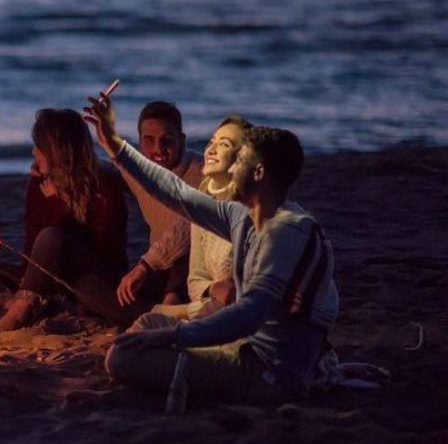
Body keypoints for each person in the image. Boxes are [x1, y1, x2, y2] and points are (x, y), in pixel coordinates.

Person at [87, 92, 338, 403]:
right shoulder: (243, 214)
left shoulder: (286, 230)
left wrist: (175, 335)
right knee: (146, 327)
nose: (228, 167)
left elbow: (249, 314)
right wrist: (114, 143)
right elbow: (177, 193)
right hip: (238, 341)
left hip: (264, 369)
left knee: (122, 357)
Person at [0, 109, 129, 331]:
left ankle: (18, 311)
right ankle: (23, 300)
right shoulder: (39, 183)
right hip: (49, 276)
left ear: (58, 151)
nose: (34, 152)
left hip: (94, 279)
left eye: (40, 147)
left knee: (51, 237)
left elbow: (102, 252)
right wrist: (25, 284)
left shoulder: (104, 186)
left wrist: (55, 202)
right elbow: (33, 243)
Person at [153, 115, 253, 321]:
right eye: (211, 142)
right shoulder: (203, 200)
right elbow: (195, 280)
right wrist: (214, 288)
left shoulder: (254, 210)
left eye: (224, 145)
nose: (212, 150)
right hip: (210, 307)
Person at [114, 101, 204, 311]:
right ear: (139, 142)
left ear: (181, 140)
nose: (158, 149)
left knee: (191, 248)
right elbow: (100, 168)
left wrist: (144, 266)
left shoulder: (204, 172)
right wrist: (47, 162)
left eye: (167, 140)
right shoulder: (137, 171)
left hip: (197, 268)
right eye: (149, 140)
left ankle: (171, 304)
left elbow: (188, 227)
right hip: (159, 267)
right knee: (98, 291)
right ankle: (163, 311)